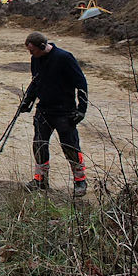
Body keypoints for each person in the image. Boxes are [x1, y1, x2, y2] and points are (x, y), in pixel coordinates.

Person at [19, 31, 89, 197]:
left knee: (70, 147)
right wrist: (27, 101)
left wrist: (81, 109)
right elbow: (36, 82)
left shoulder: (65, 58)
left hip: (65, 112)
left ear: (42, 46)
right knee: (39, 144)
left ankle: (80, 181)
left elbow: (81, 83)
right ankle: (40, 179)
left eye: (32, 50)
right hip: (44, 110)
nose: (31, 54)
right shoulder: (35, 59)